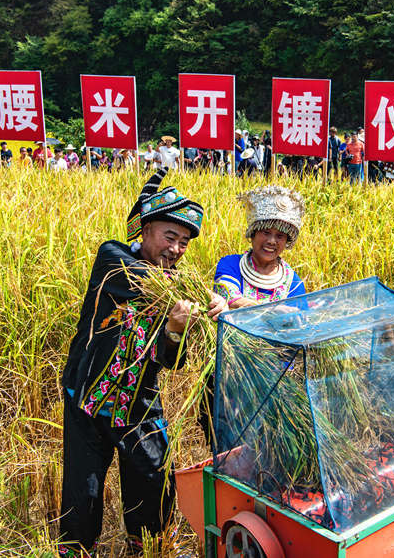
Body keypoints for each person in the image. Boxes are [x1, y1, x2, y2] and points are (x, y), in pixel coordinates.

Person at [58, 168, 227, 557]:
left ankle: (145, 549)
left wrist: (176, 327)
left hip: (139, 404)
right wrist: (203, 296)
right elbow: (142, 280)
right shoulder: (113, 258)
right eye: (170, 236)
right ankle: (78, 551)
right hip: (88, 400)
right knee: (83, 490)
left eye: (184, 242)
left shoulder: (176, 284)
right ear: (145, 231)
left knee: (153, 480)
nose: (176, 248)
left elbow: (172, 359)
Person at [214, 185, 306, 309]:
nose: (272, 241)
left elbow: (298, 320)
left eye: (280, 236)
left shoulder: (294, 283)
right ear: (253, 234)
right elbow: (229, 300)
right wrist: (274, 310)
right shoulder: (231, 264)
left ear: (286, 241)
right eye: (266, 233)